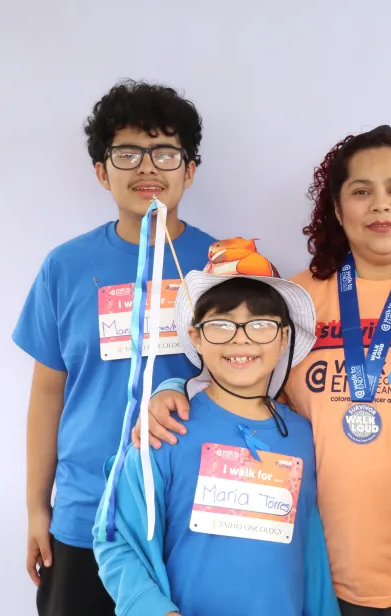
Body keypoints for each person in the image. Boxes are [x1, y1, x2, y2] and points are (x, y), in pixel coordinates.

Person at [138, 125, 391, 615]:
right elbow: (241, 384)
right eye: (361, 191)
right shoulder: (297, 299)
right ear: (337, 209)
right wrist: (171, 388)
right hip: (305, 569)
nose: (381, 205)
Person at [12, 79, 216, 616]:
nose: (147, 168)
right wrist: (37, 508)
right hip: (85, 517)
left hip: (189, 517)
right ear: (103, 171)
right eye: (127, 153)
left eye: (165, 152)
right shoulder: (66, 267)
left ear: (189, 170)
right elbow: (47, 396)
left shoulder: (225, 267)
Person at [92, 242, 339, 615]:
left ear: (284, 337)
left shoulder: (303, 435)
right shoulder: (167, 428)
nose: (241, 338)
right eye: (221, 324)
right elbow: (114, 536)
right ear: (196, 338)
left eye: (260, 324)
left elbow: (311, 553)